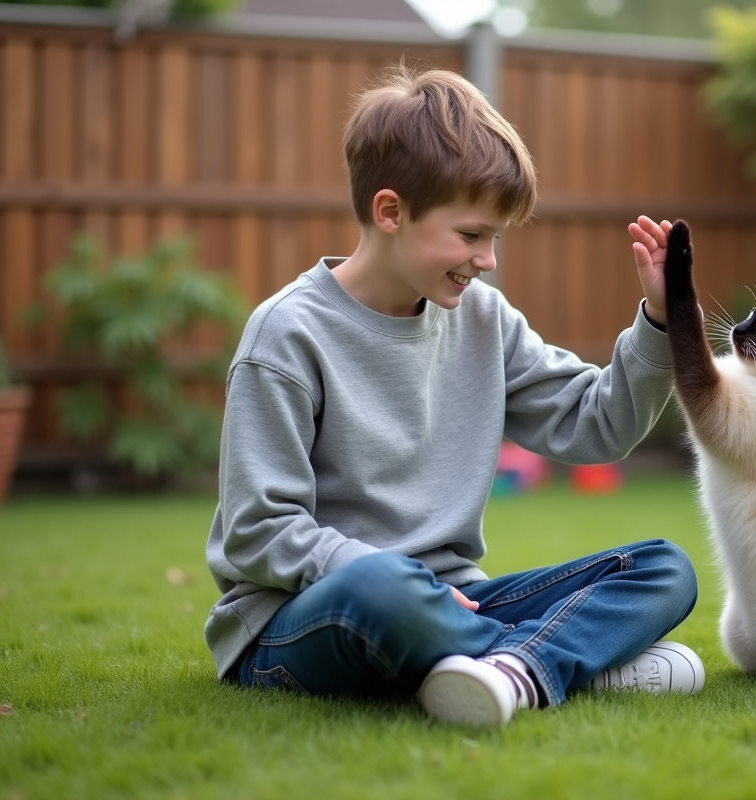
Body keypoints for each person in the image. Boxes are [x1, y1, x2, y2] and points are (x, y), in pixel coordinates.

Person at [203, 64, 702, 728]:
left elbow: (596, 427)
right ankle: (568, 661)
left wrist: (659, 322)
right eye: (471, 235)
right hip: (305, 620)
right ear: (390, 212)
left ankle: (508, 671)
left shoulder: (484, 320)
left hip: (457, 604)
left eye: (494, 237)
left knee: (665, 570)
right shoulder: (286, 334)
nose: (488, 259)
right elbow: (257, 531)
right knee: (383, 589)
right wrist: (392, 575)